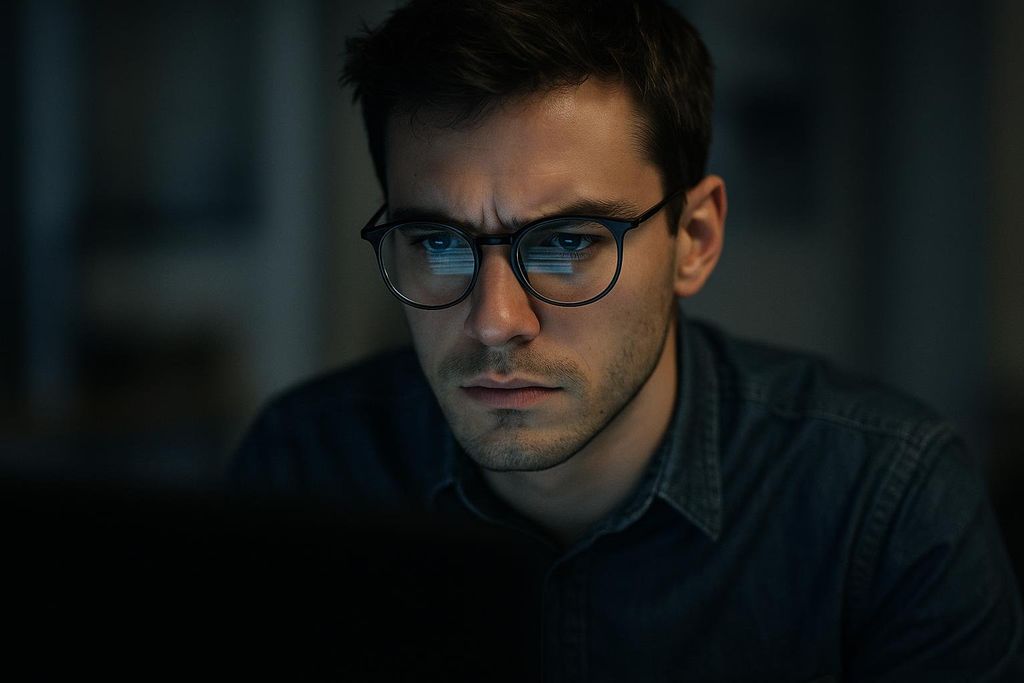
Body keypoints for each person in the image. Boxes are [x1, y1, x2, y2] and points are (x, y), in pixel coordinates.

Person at [230, 0, 1023, 679]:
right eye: (438, 242)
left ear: (696, 238)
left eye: (568, 240)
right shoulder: (302, 468)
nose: (496, 319)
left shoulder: (884, 506)